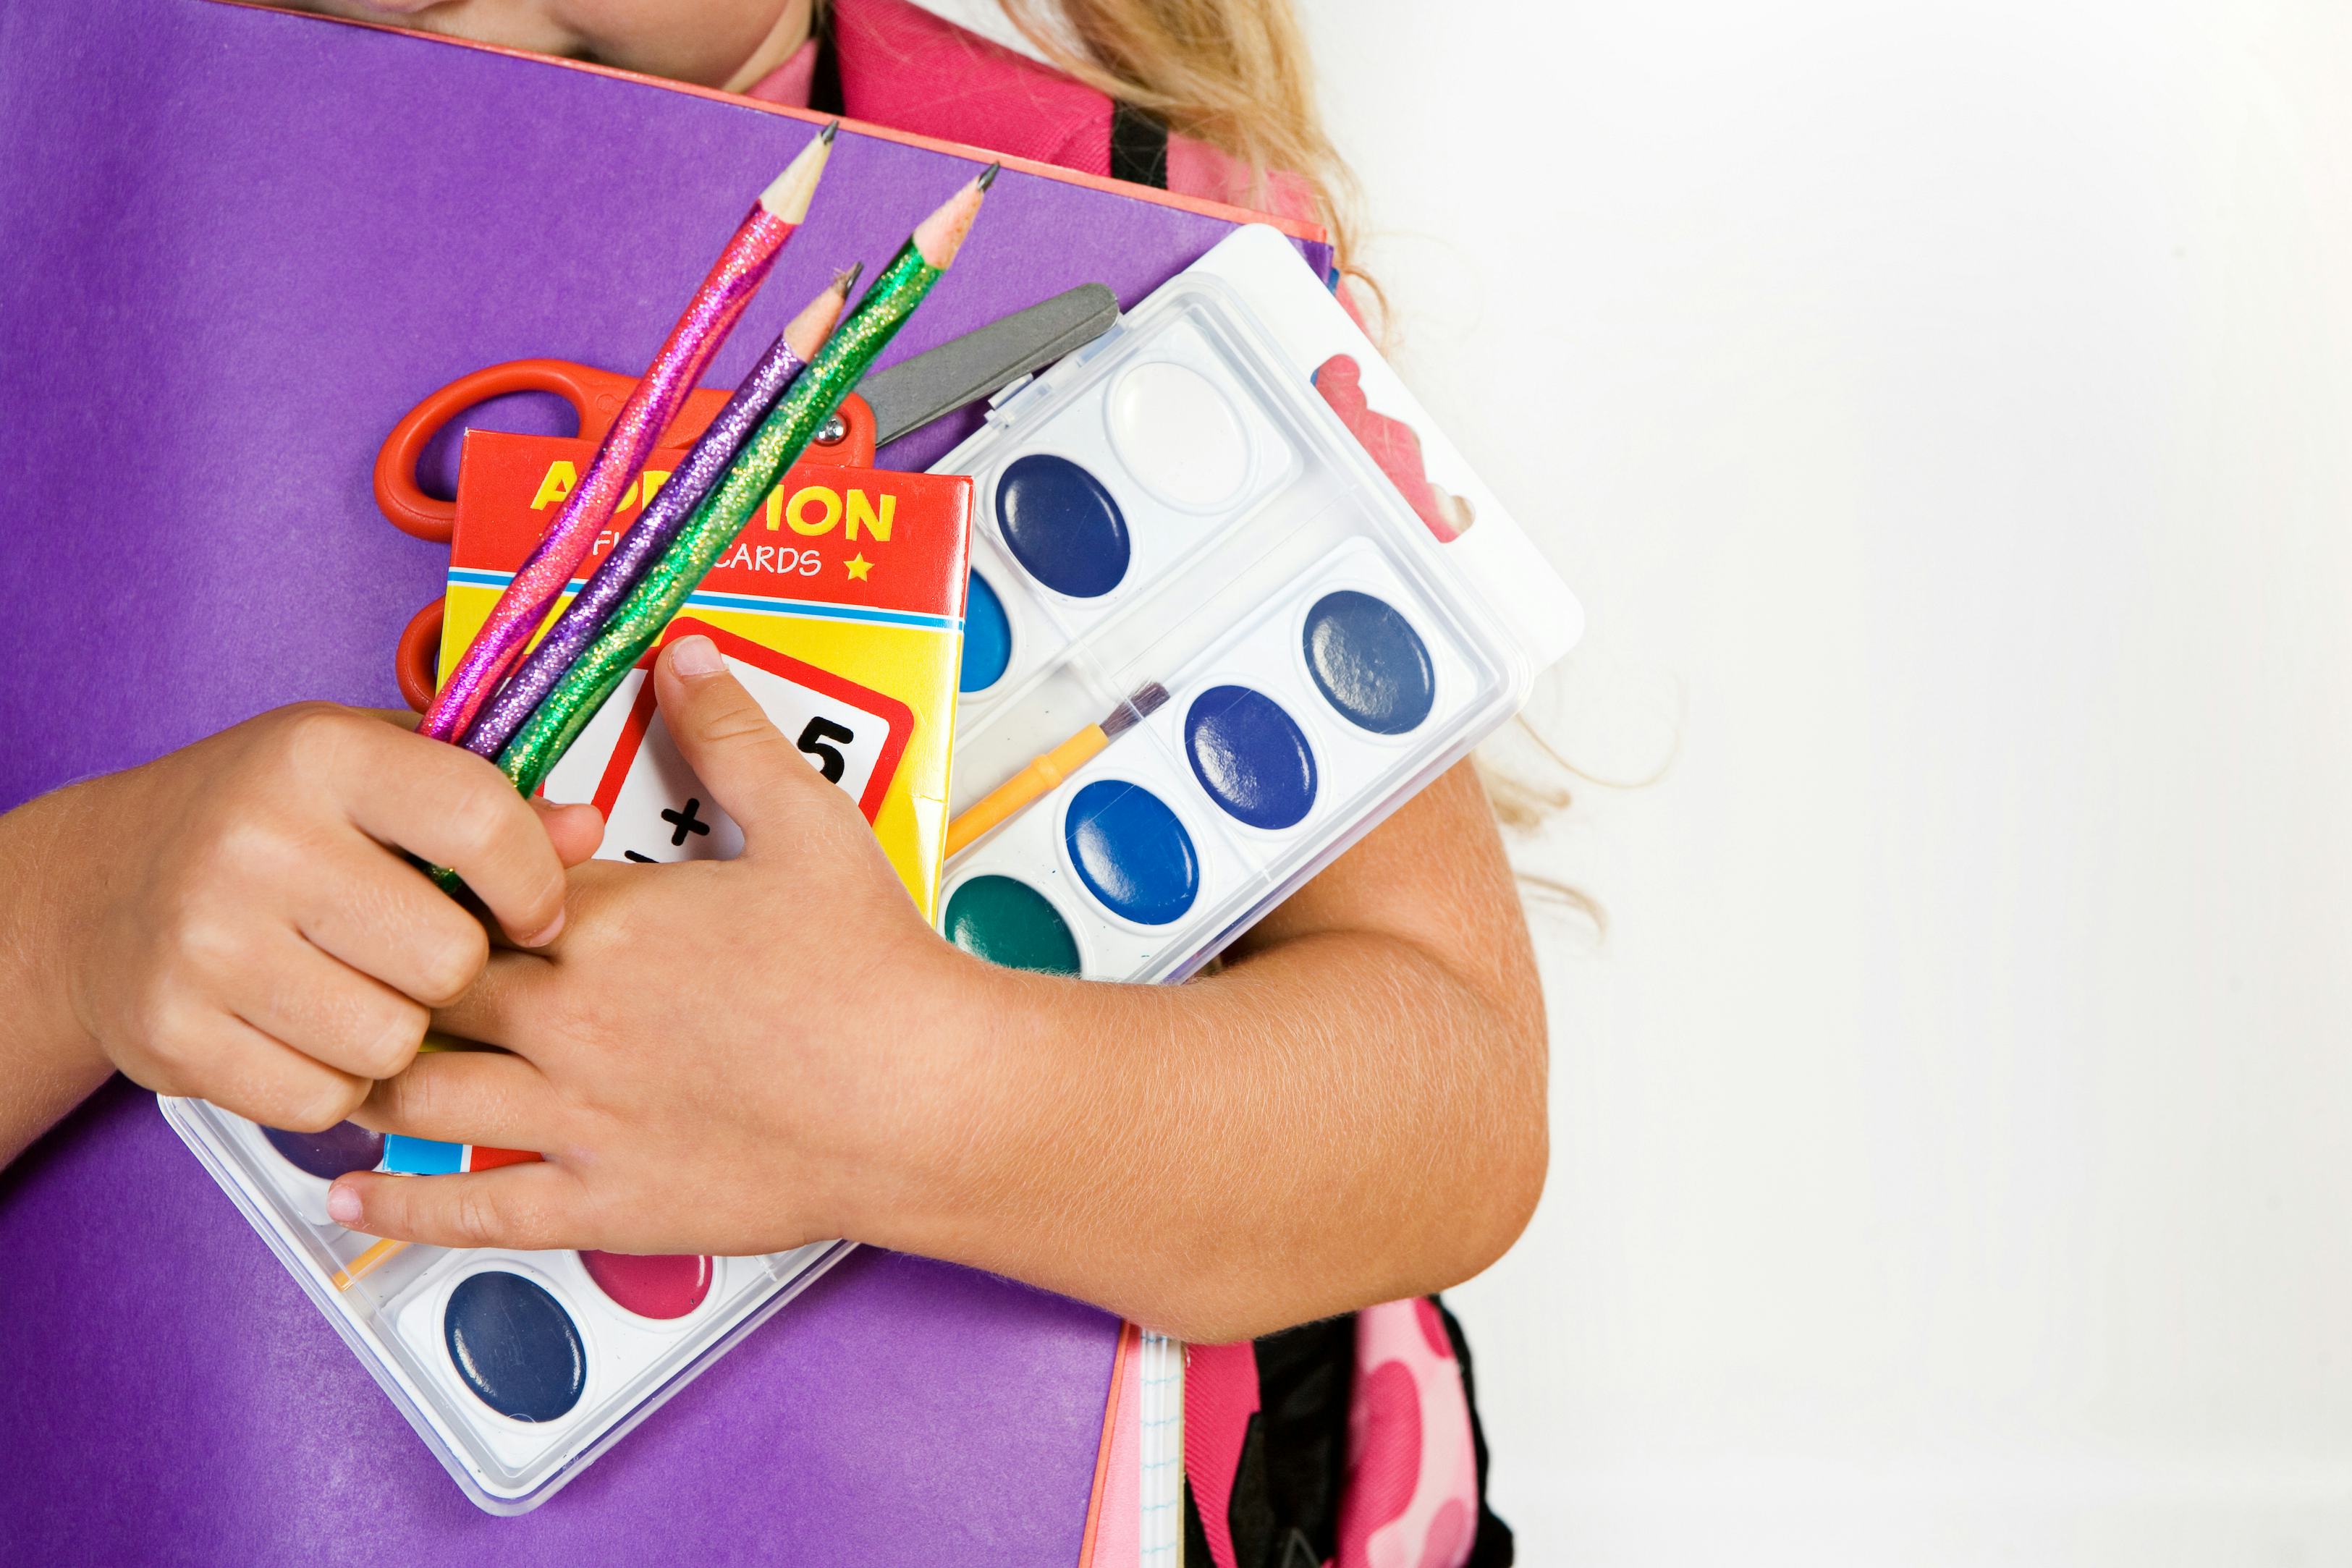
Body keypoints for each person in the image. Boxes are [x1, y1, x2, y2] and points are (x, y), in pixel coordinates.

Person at [0, 3, 1540, 1562]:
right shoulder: (48, 164)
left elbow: (1457, 1117)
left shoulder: (1127, 215)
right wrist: (70, 923)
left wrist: (922, 1097)